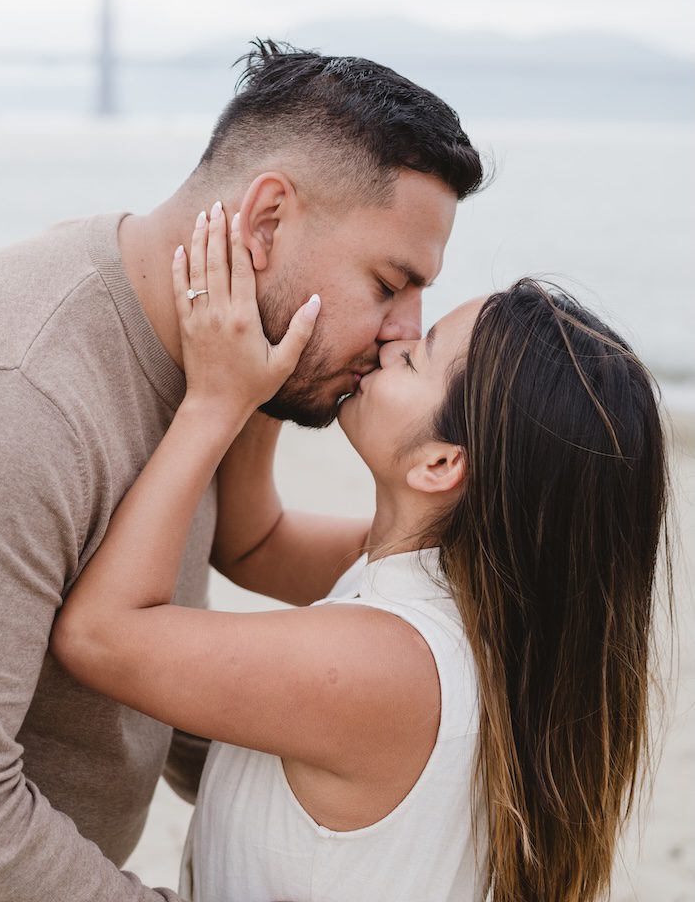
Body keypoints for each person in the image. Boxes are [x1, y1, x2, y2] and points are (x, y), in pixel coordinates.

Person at [0, 43, 483, 902]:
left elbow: (151, 669)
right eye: (390, 284)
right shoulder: (5, 406)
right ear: (265, 222)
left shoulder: (215, 365)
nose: (401, 332)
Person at [52, 206, 671, 902]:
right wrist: (279, 368)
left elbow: (99, 637)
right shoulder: (462, 587)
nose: (388, 341)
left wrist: (214, 400)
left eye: (415, 357)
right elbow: (253, 542)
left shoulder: (386, 666)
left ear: (439, 463)